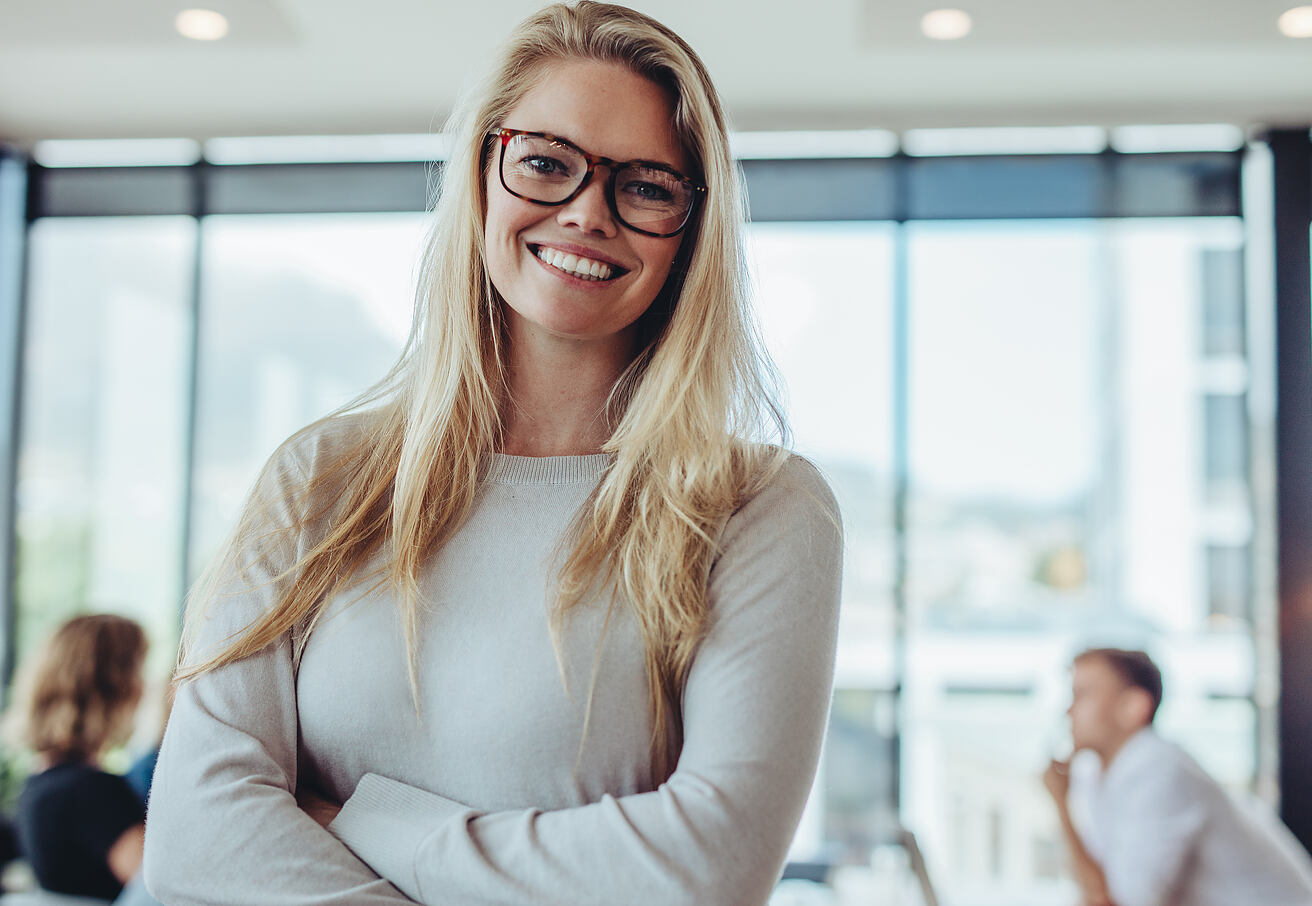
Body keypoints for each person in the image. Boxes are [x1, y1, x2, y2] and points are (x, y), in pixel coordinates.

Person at [143, 3, 843, 904]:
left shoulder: (760, 507)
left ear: (692, 229)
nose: (589, 212)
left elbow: (706, 870)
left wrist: (362, 816)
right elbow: (196, 849)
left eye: (647, 186)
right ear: (482, 173)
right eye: (547, 163)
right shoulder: (321, 479)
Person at [1042, 647, 1312, 906]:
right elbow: (1095, 889)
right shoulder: (1096, 774)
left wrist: (1060, 806)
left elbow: (1121, 902)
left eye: (1082, 695)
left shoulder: (1159, 770)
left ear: (1133, 707)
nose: (1068, 709)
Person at [13, 614, 159, 904]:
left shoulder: (40, 782)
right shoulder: (92, 791)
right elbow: (163, 887)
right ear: (115, 684)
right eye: (139, 669)